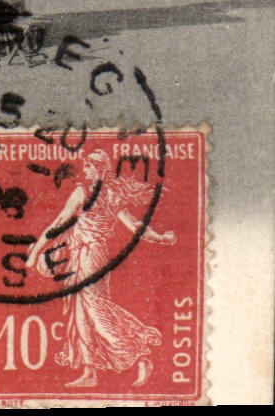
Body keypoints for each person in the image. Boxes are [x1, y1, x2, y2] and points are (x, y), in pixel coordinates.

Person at [26, 150, 176, 388]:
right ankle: (90, 371)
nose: (84, 171)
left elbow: (58, 223)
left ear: (96, 169)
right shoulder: (113, 195)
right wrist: (159, 238)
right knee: (82, 311)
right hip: (91, 255)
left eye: (87, 167)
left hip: (88, 255)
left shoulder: (82, 192)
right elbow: (135, 226)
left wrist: (34, 253)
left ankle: (138, 354)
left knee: (95, 310)